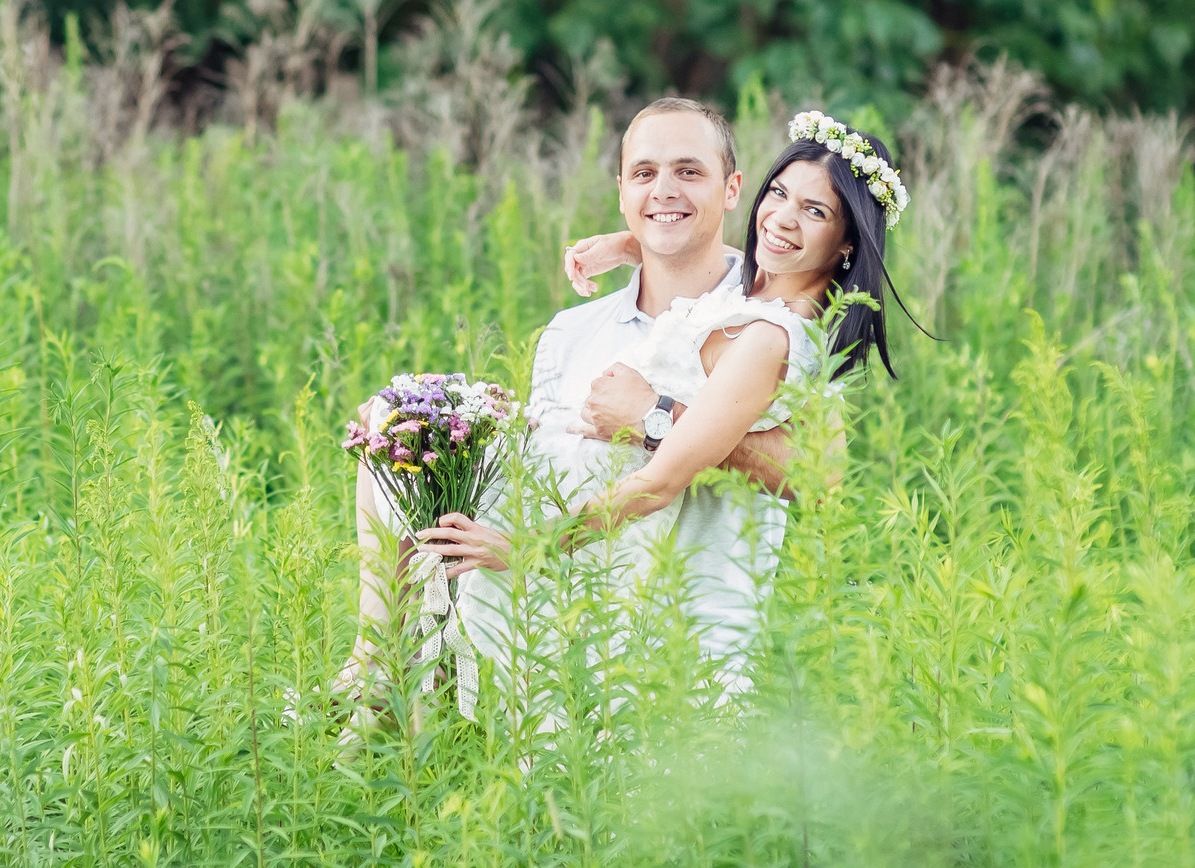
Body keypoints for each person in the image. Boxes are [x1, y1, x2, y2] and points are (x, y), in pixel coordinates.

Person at [340, 102, 907, 721]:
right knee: (391, 418)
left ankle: (404, 682)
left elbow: (814, 472)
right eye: (644, 175)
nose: (784, 219)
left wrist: (652, 417)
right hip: (567, 587)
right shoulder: (589, 327)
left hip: (663, 616)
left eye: (689, 172)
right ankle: (382, 663)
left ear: (730, 190)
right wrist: (634, 245)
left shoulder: (771, 326)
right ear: (621, 191)